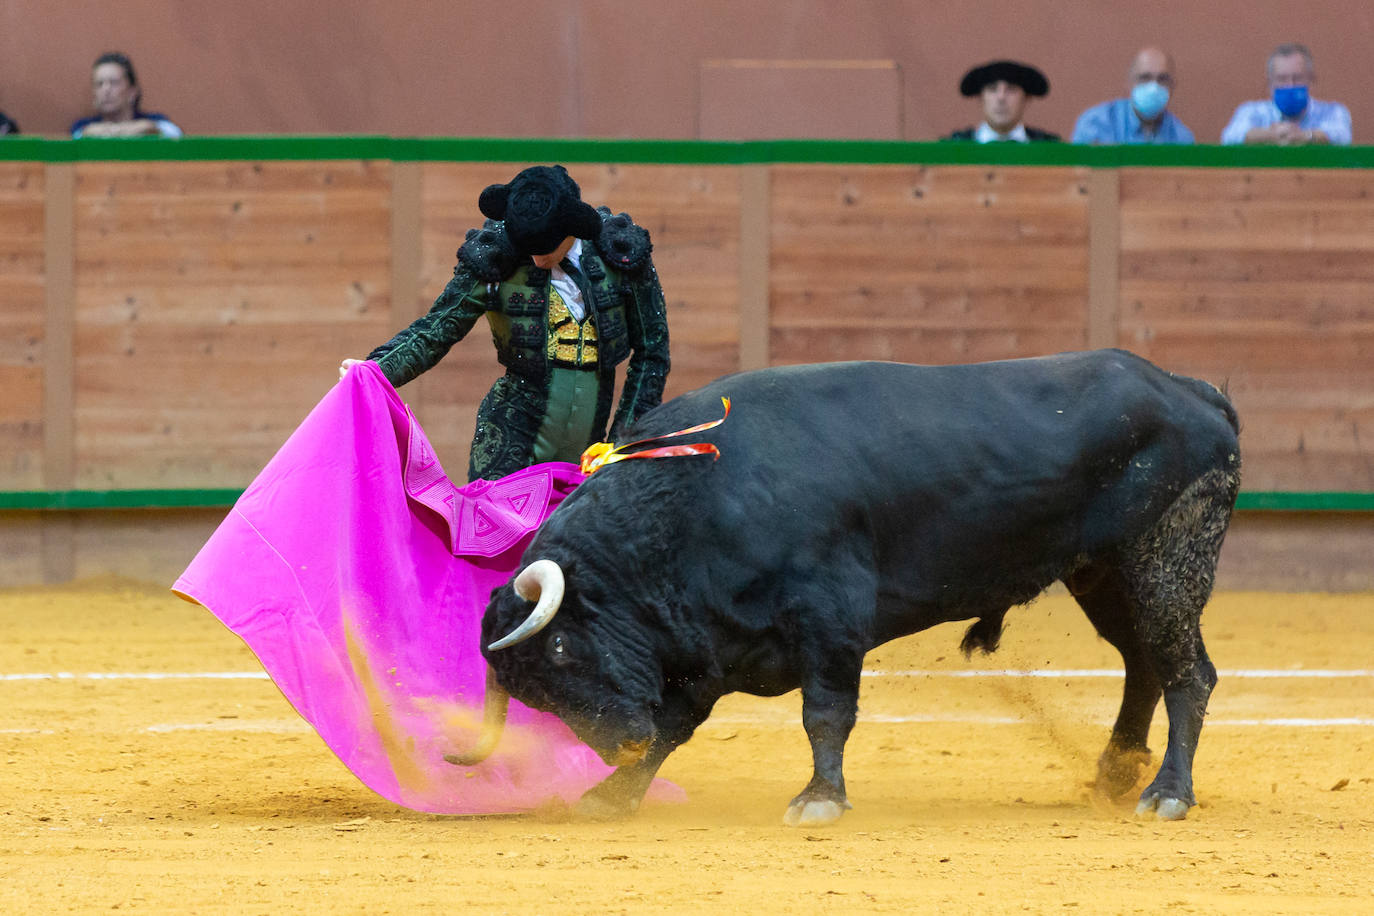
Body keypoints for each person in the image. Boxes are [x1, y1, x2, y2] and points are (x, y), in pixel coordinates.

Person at [340, 165, 671, 482]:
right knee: (496, 538)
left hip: (592, 448)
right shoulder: (496, 252)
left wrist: (624, 442)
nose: (538, 260)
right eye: (530, 250)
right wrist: (374, 371)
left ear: (574, 226)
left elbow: (652, 351)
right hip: (511, 436)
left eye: (547, 249)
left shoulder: (620, 253)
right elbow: (436, 330)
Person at [1221, 43, 1351, 146]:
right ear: (1270, 84)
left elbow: (1342, 136)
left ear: (1311, 80)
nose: (1290, 85)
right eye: (1282, 79)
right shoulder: (1251, 111)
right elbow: (1230, 137)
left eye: (1297, 78)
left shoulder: (1333, 111)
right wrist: (1271, 135)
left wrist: (1305, 136)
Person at [1072, 47, 1195, 144]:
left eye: (1162, 79)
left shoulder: (1181, 137)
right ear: (1129, 83)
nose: (1153, 87)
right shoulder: (1096, 124)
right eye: (1145, 78)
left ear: (1172, 87)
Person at [70, 52, 182, 139]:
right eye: (99, 84)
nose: (106, 90)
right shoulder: (83, 126)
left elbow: (175, 134)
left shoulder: (155, 121)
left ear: (132, 92)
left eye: (114, 83)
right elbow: (74, 139)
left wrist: (150, 129)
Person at [944, 60, 1060, 142]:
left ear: (1026, 99)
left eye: (1011, 89)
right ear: (981, 98)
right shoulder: (955, 148)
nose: (1001, 97)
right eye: (992, 89)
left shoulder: (1048, 149)